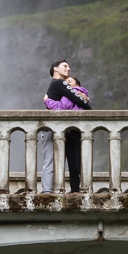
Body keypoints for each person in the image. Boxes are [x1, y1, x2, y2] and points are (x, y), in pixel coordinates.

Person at [41, 59, 90, 191]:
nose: (68, 69)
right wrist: (86, 101)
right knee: (53, 162)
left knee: (56, 162)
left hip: (60, 130)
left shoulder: (56, 85)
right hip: (54, 128)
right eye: (65, 66)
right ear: (55, 69)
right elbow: (74, 103)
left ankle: (50, 190)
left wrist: (47, 101)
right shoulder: (59, 83)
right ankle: (47, 191)